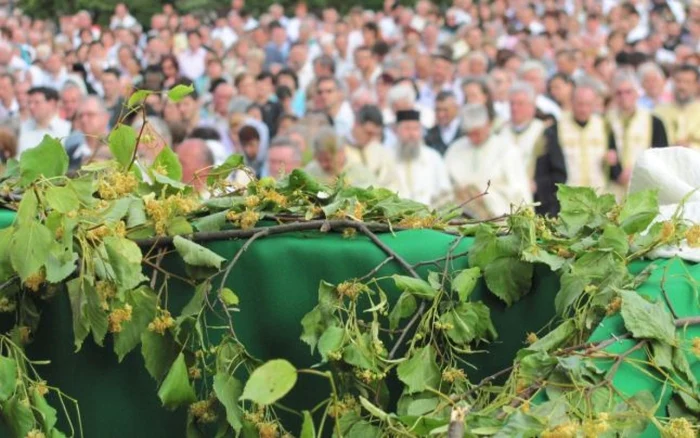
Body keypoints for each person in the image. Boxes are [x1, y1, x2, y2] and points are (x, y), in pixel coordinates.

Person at [536, 82, 621, 214]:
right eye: (580, 104)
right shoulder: (557, 128)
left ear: (594, 105)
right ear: (572, 103)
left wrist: (612, 161)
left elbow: (615, 165)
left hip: (597, 198)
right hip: (568, 201)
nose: (583, 109)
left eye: (588, 104)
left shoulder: (604, 127)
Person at [445, 104, 532, 219]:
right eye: (469, 133)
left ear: (488, 125)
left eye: (477, 133)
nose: (473, 138)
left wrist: (486, 197)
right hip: (459, 217)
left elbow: (518, 191)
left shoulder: (506, 149)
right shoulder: (455, 149)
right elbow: (444, 185)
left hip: (497, 218)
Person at [607, 71, 668, 196]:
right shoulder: (607, 120)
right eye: (619, 93)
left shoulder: (653, 121)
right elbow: (608, 149)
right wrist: (617, 173)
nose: (624, 97)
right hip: (614, 186)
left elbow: (662, 154)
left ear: (637, 93)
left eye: (628, 92)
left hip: (644, 185)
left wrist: (636, 171)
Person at [392, 109, 452, 208]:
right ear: (396, 131)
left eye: (416, 129)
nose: (412, 134)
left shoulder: (433, 157)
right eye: (407, 128)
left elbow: (445, 192)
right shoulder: (387, 157)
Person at [498, 82, 546, 193]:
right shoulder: (501, 131)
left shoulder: (542, 131)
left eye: (520, 104)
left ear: (532, 106)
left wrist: (538, 184)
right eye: (512, 104)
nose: (514, 108)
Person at [347, 104, 399, 190]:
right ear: (356, 125)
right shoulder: (340, 148)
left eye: (377, 135)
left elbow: (392, 184)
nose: (373, 139)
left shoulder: (383, 152)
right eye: (369, 133)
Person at [304, 126, 376, 187]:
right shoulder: (310, 171)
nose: (323, 165)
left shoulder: (360, 174)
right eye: (320, 160)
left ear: (341, 152)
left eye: (328, 160)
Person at [655, 65, 700, 148]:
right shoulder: (658, 111)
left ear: (697, 85)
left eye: (687, 82)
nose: (682, 86)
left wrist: (690, 147)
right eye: (678, 81)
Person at [18, 86, 71, 155]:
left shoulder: (67, 129)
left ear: (52, 104)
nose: (31, 107)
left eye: (37, 102)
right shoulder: (23, 127)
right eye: (29, 103)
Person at [64, 96, 111, 169]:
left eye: (90, 114)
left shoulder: (118, 150)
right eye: (80, 116)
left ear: (105, 117)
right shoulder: (70, 154)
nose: (84, 119)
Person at [316, 76, 354, 140]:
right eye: (320, 92)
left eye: (329, 91)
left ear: (340, 93)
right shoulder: (319, 115)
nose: (323, 96)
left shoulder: (348, 119)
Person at [424, 91, 461, 156]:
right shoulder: (430, 135)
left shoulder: (465, 131)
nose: (441, 114)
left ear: (456, 108)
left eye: (445, 110)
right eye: (438, 110)